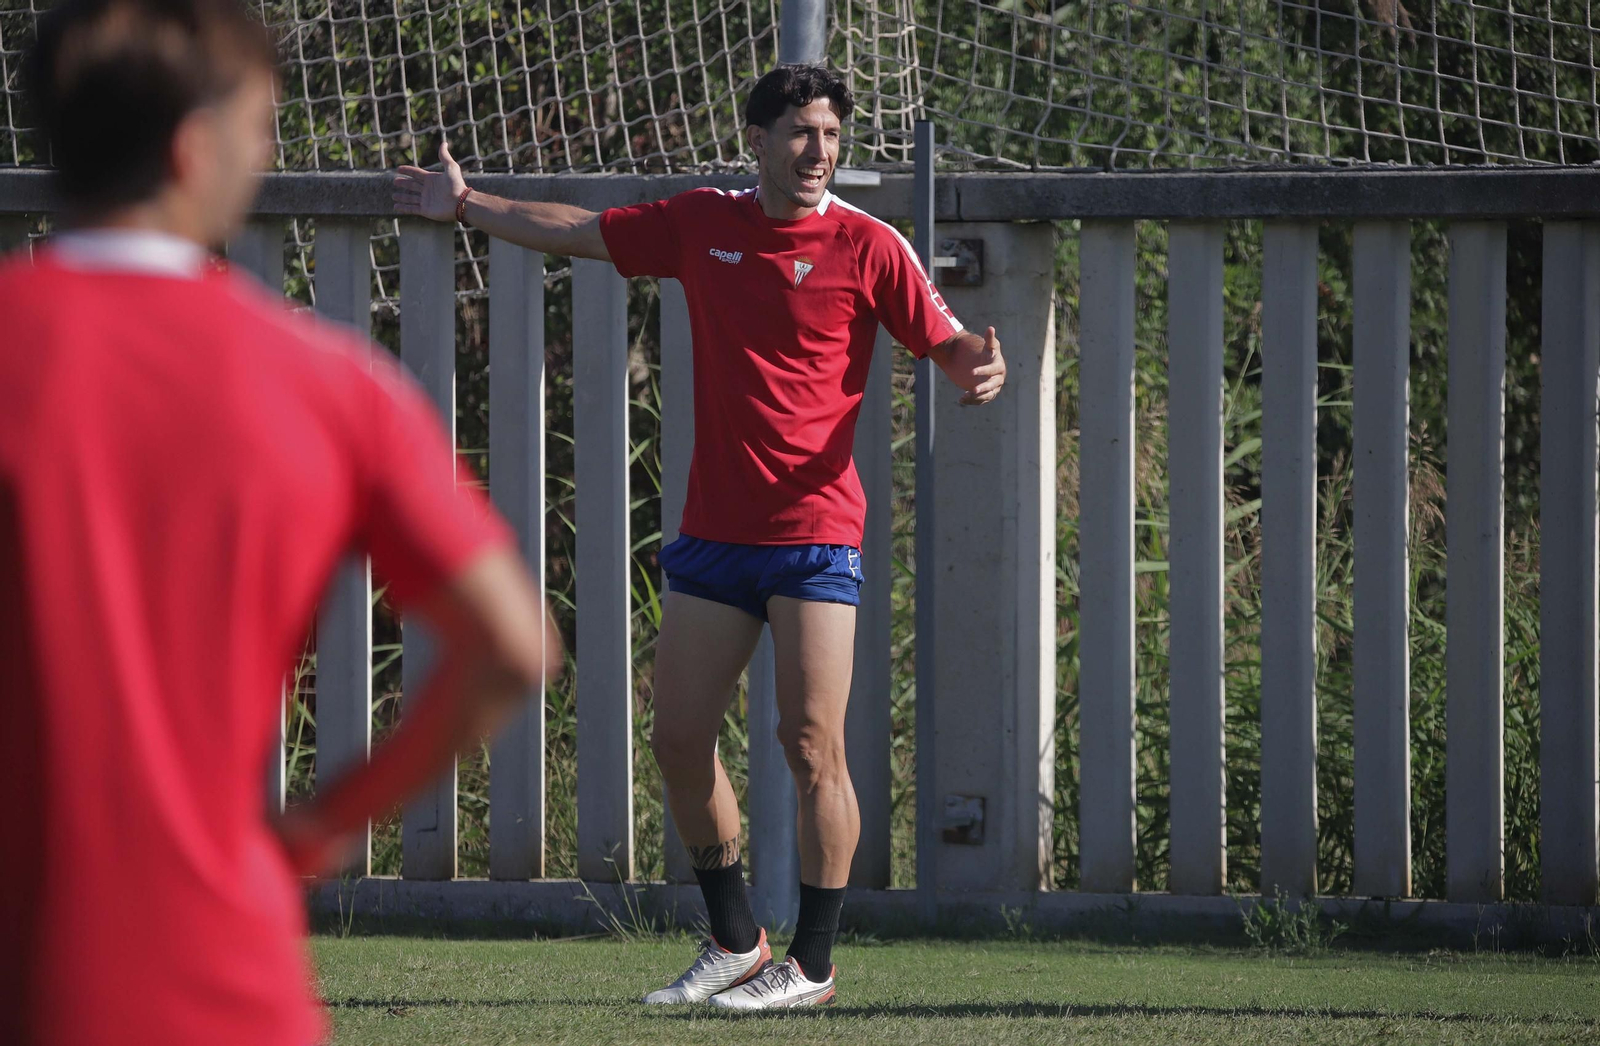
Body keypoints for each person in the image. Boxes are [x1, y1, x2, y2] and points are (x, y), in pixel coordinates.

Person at [0, 1, 560, 1043]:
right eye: (263, 126)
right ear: (191, 145)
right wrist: (317, 827)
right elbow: (512, 644)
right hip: (220, 976)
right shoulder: (330, 385)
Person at [394, 62, 1005, 1010]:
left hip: (815, 534)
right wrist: (467, 203)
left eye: (833, 136)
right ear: (756, 138)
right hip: (715, 536)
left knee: (811, 747)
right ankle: (735, 939)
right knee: (678, 737)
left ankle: (814, 965)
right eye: (802, 132)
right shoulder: (703, 224)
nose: (819, 152)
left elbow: (947, 338)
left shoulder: (868, 243)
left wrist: (978, 364)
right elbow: (578, 231)